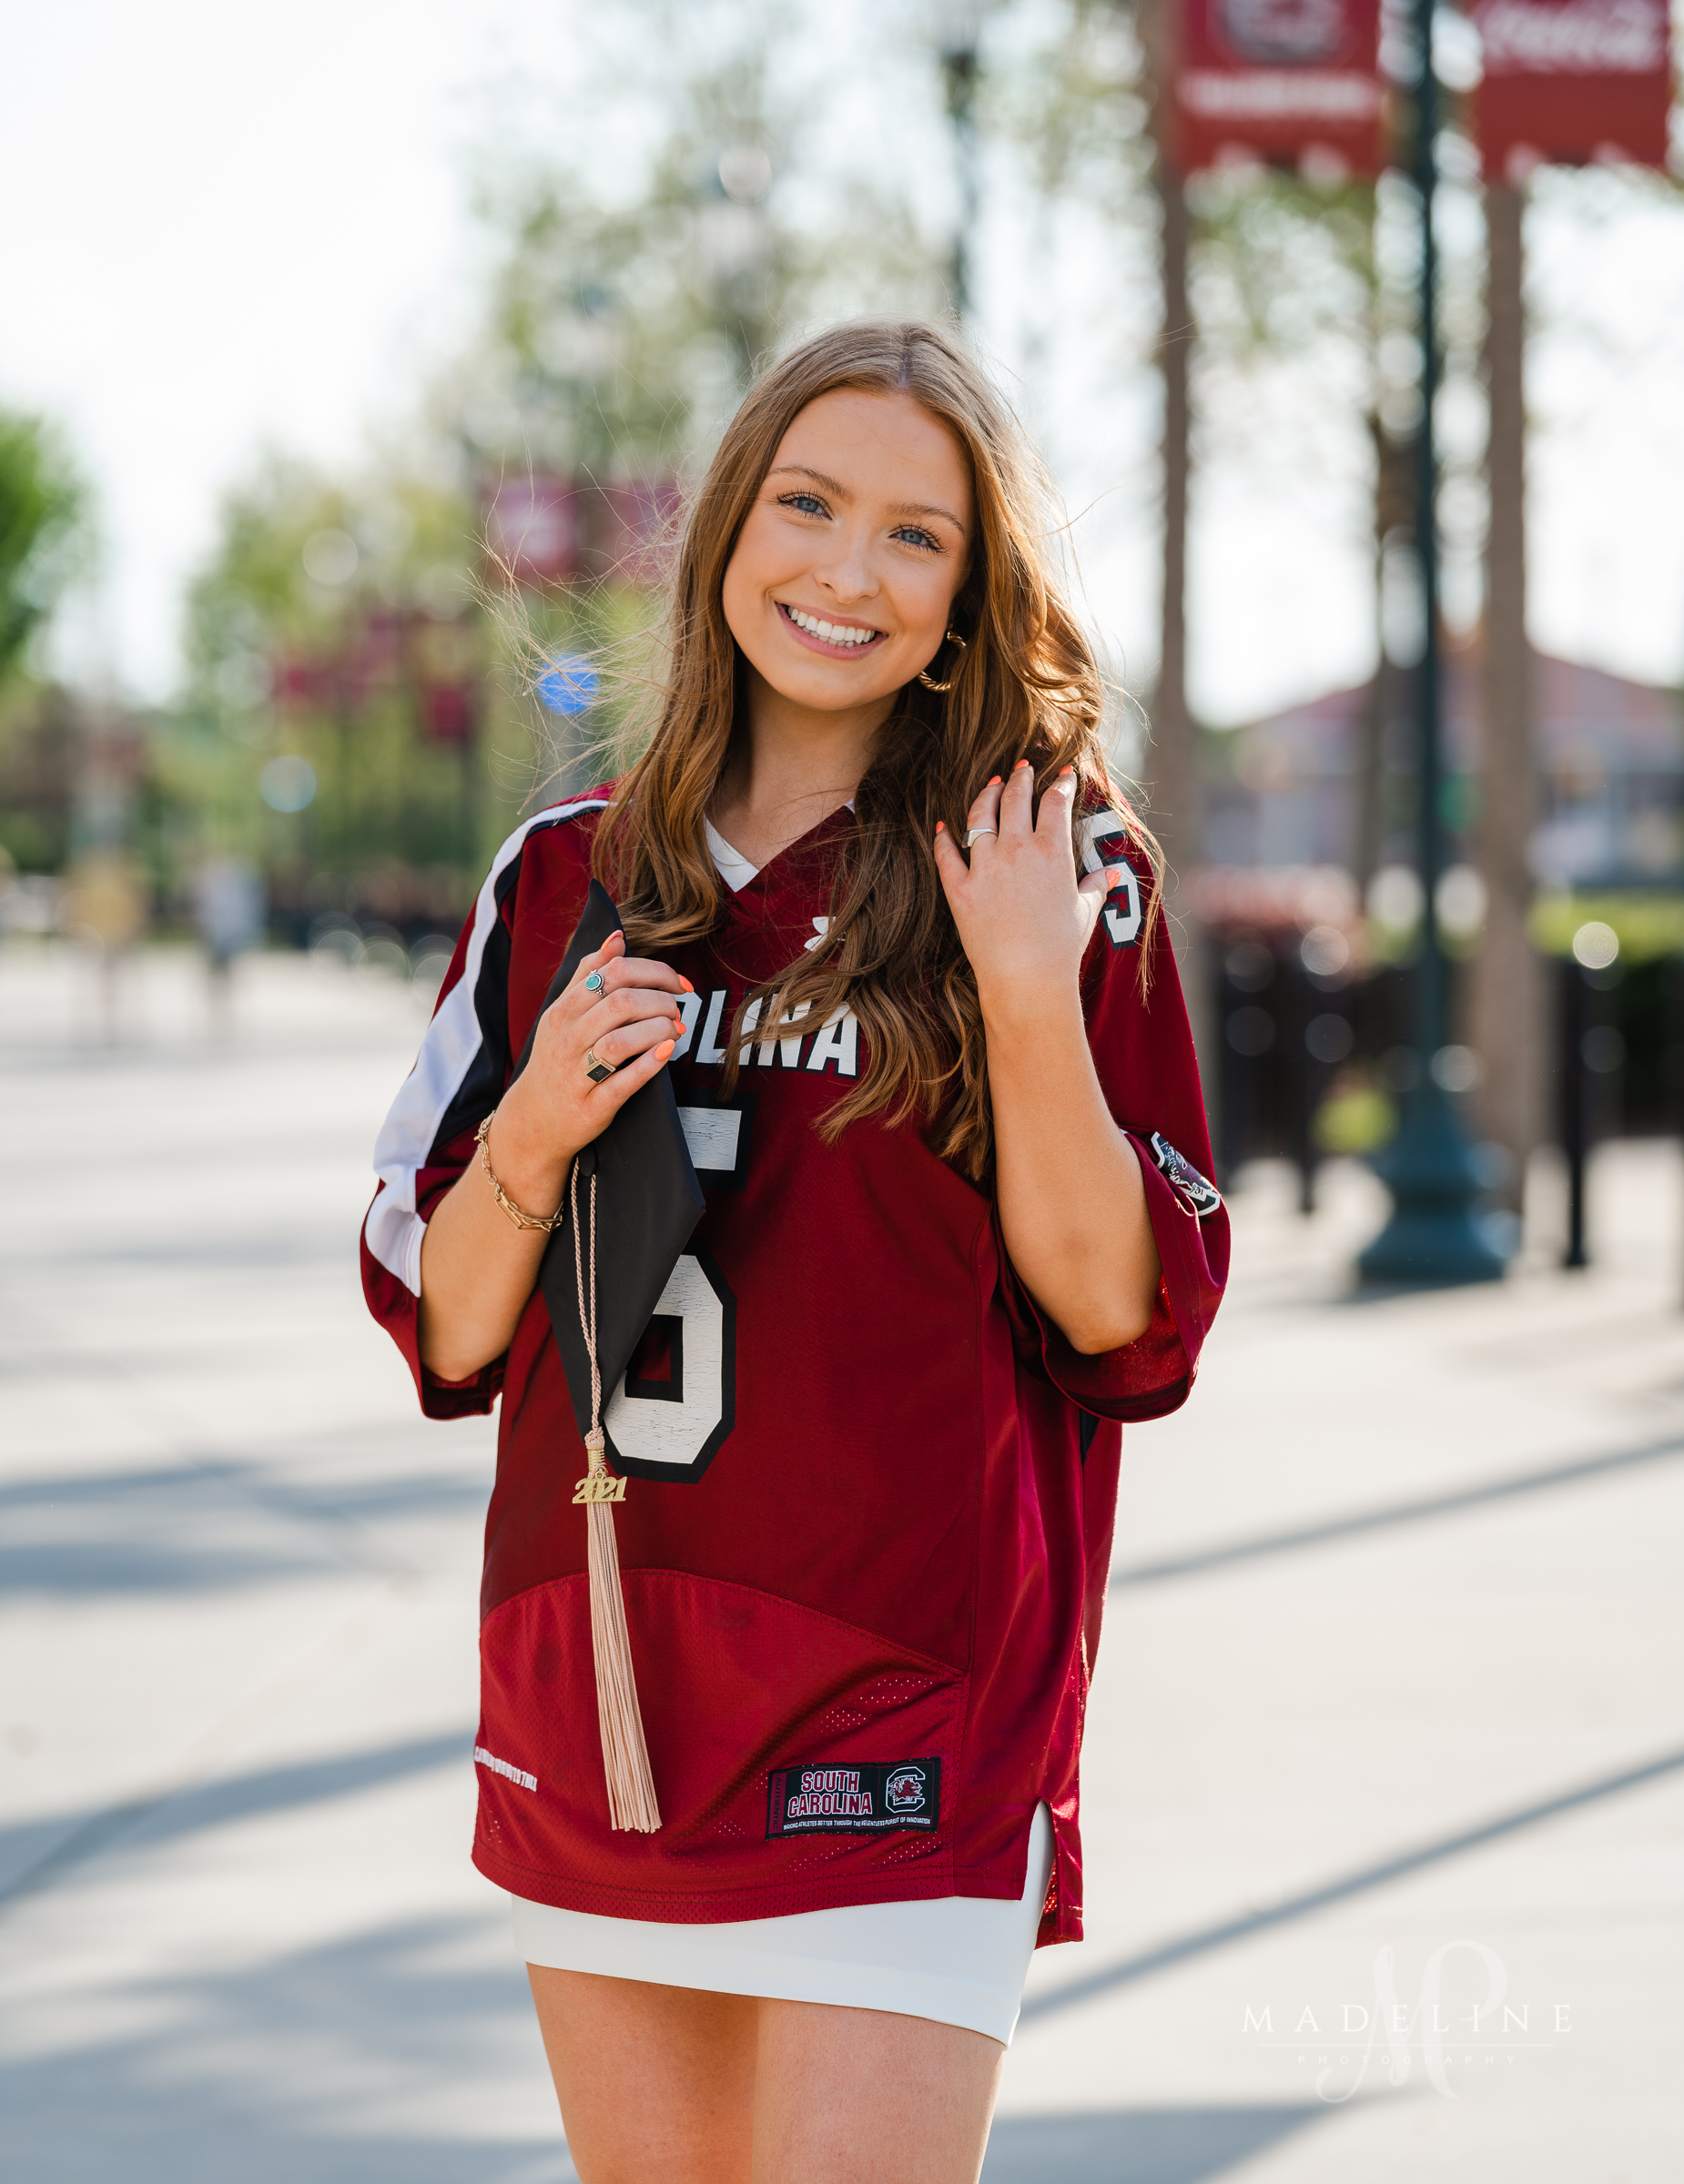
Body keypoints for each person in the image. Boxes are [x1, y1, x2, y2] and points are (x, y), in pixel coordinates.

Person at [362, 320, 1228, 2184]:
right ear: (726, 527)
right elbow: (443, 1333)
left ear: (969, 595)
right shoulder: (561, 881)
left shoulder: (1056, 866)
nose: (847, 569)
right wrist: (532, 1126)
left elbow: (1122, 1324)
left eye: (916, 537)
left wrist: (1019, 992)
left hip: (910, 1721)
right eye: (810, 504)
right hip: (608, 1702)